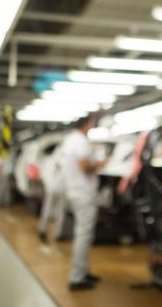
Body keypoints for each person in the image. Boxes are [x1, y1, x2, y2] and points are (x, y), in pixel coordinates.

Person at [60, 115, 107, 291]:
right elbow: (84, 166)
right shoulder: (80, 141)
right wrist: (102, 163)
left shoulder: (70, 140)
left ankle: (84, 271)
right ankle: (77, 278)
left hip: (73, 191)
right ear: (87, 125)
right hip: (83, 193)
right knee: (83, 235)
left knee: (83, 233)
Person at [38, 142, 69, 242]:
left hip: (51, 188)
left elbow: (44, 174)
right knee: (60, 211)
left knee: (47, 209)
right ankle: (58, 233)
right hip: (60, 189)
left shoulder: (50, 159)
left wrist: (47, 185)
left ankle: (42, 229)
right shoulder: (64, 159)